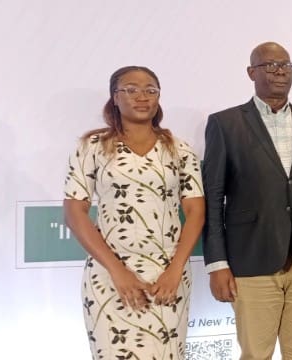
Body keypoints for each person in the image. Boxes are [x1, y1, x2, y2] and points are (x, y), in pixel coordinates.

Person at [202, 42, 292, 360]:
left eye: (286, 65)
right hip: (251, 258)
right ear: (251, 72)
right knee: (256, 353)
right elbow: (213, 199)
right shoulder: (225, 124)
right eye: (269, 65)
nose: (279, 71)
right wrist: (217, 263)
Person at [63, 66, 205, 359]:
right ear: (115, 97)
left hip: (168, 276)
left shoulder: (180, 149)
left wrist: (175, 269)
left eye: (150, 90)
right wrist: (118, 272)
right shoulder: (91, 147)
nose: (142, 97)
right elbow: (75, 212)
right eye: (131, 89)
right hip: (110, 277)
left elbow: (195, 211)